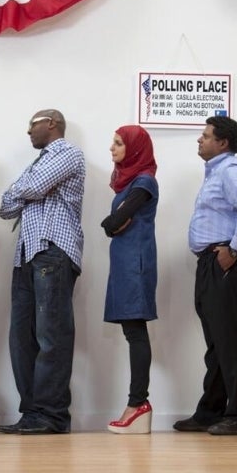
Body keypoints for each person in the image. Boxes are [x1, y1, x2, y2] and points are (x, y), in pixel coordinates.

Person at [174, 116, 237, 436]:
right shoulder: (215, 172)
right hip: (212, 261)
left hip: (227, 259)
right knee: (217, 342)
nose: (199, 140)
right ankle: (210, 411)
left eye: (205, 136)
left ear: (222, 143)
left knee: (233, 340)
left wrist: (234, 250)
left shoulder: (229, 170)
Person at [0, 109, 85, 434]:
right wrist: (26, 189)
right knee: (21, 337)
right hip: (26, 254)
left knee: (52, 334)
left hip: (53, 250)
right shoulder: (39, 162)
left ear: (51, 124)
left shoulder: (68, 153)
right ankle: (33, 413)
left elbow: (31, 188)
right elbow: (6, 206)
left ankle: (52, 415)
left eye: (31, 125)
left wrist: (26, 189)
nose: (27, 132)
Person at [100, 125, 158, 434]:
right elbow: (114, 223)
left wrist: (112, 223)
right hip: (125, 263)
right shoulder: (130, 183)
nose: (112, 148)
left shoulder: (144, 181)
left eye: (119, 143)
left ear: (135, 149)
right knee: (131, 331)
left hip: (135, 263)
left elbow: (115, 221)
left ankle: (138, 404)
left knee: (135, 331)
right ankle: (137, 404)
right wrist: (112, 224)